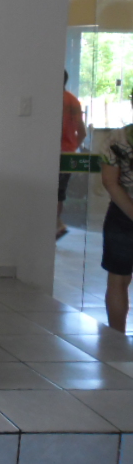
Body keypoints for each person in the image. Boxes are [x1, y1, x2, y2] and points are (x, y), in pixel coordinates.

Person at [99, 96, 133, 333]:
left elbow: (110, 182)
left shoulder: (116, 138)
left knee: (118, 280)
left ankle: (117, 339)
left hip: (122, 214)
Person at [58, 69, 87, 239]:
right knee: (59, 195)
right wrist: (71, 147)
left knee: (50, 193)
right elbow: (82, 132)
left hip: (53, 153)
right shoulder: (73, 101)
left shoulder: (54, 99)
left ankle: (52, 229)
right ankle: (56, 226)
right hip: (68, 154)